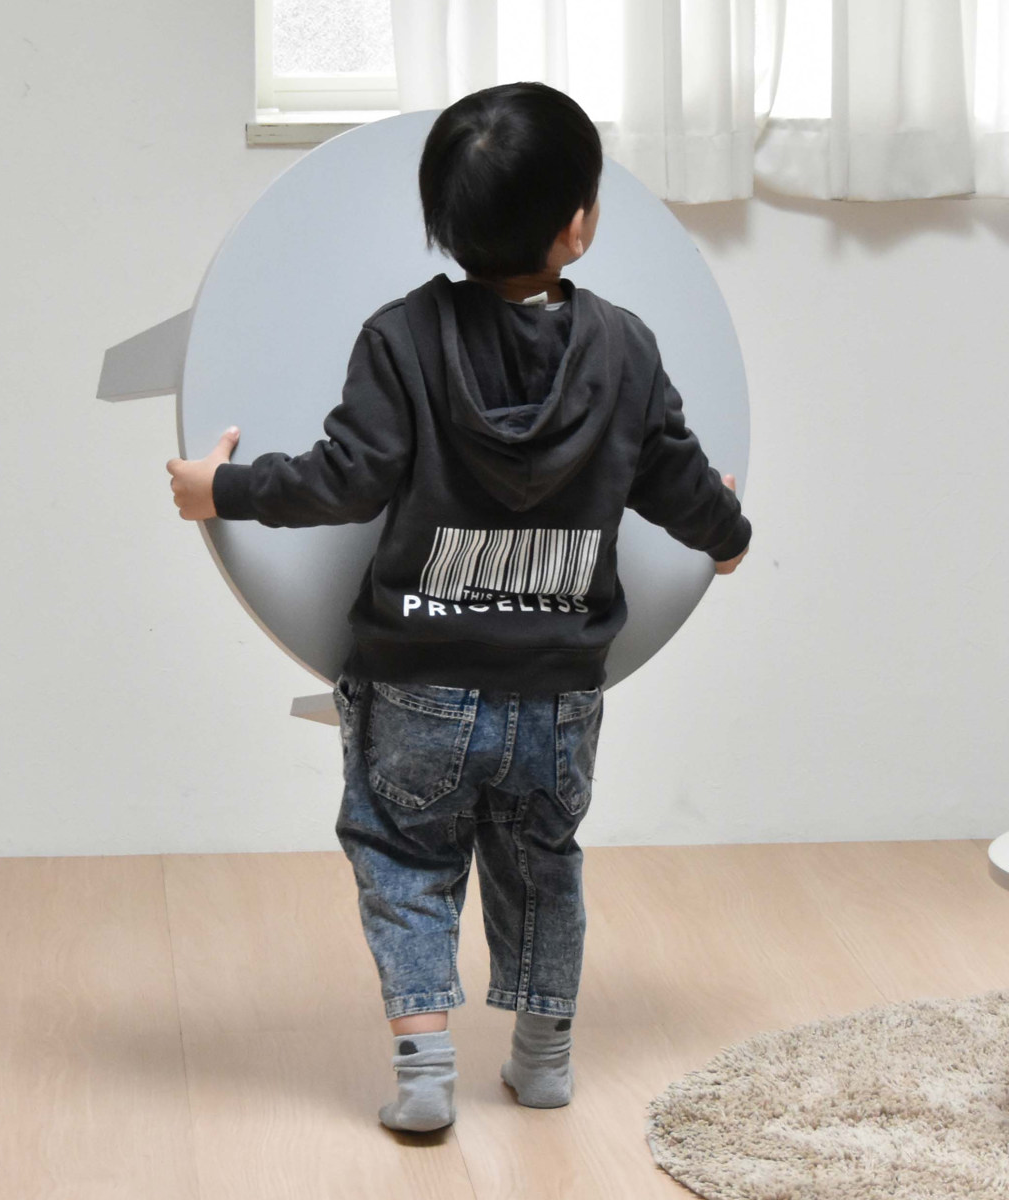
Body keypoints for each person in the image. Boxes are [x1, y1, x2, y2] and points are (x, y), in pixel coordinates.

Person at [165, 81, 751, 1134]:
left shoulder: (402, 337)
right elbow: (675, 477)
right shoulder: (625, 348)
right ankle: (543, 1061)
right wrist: (729, 535)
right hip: (559, 692)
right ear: (580, 225)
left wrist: (226, 489)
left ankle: (426, 1072)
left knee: (405, 859)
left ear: (440, 220)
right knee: (542, 866)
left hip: (417, 684)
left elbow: (345, 480)